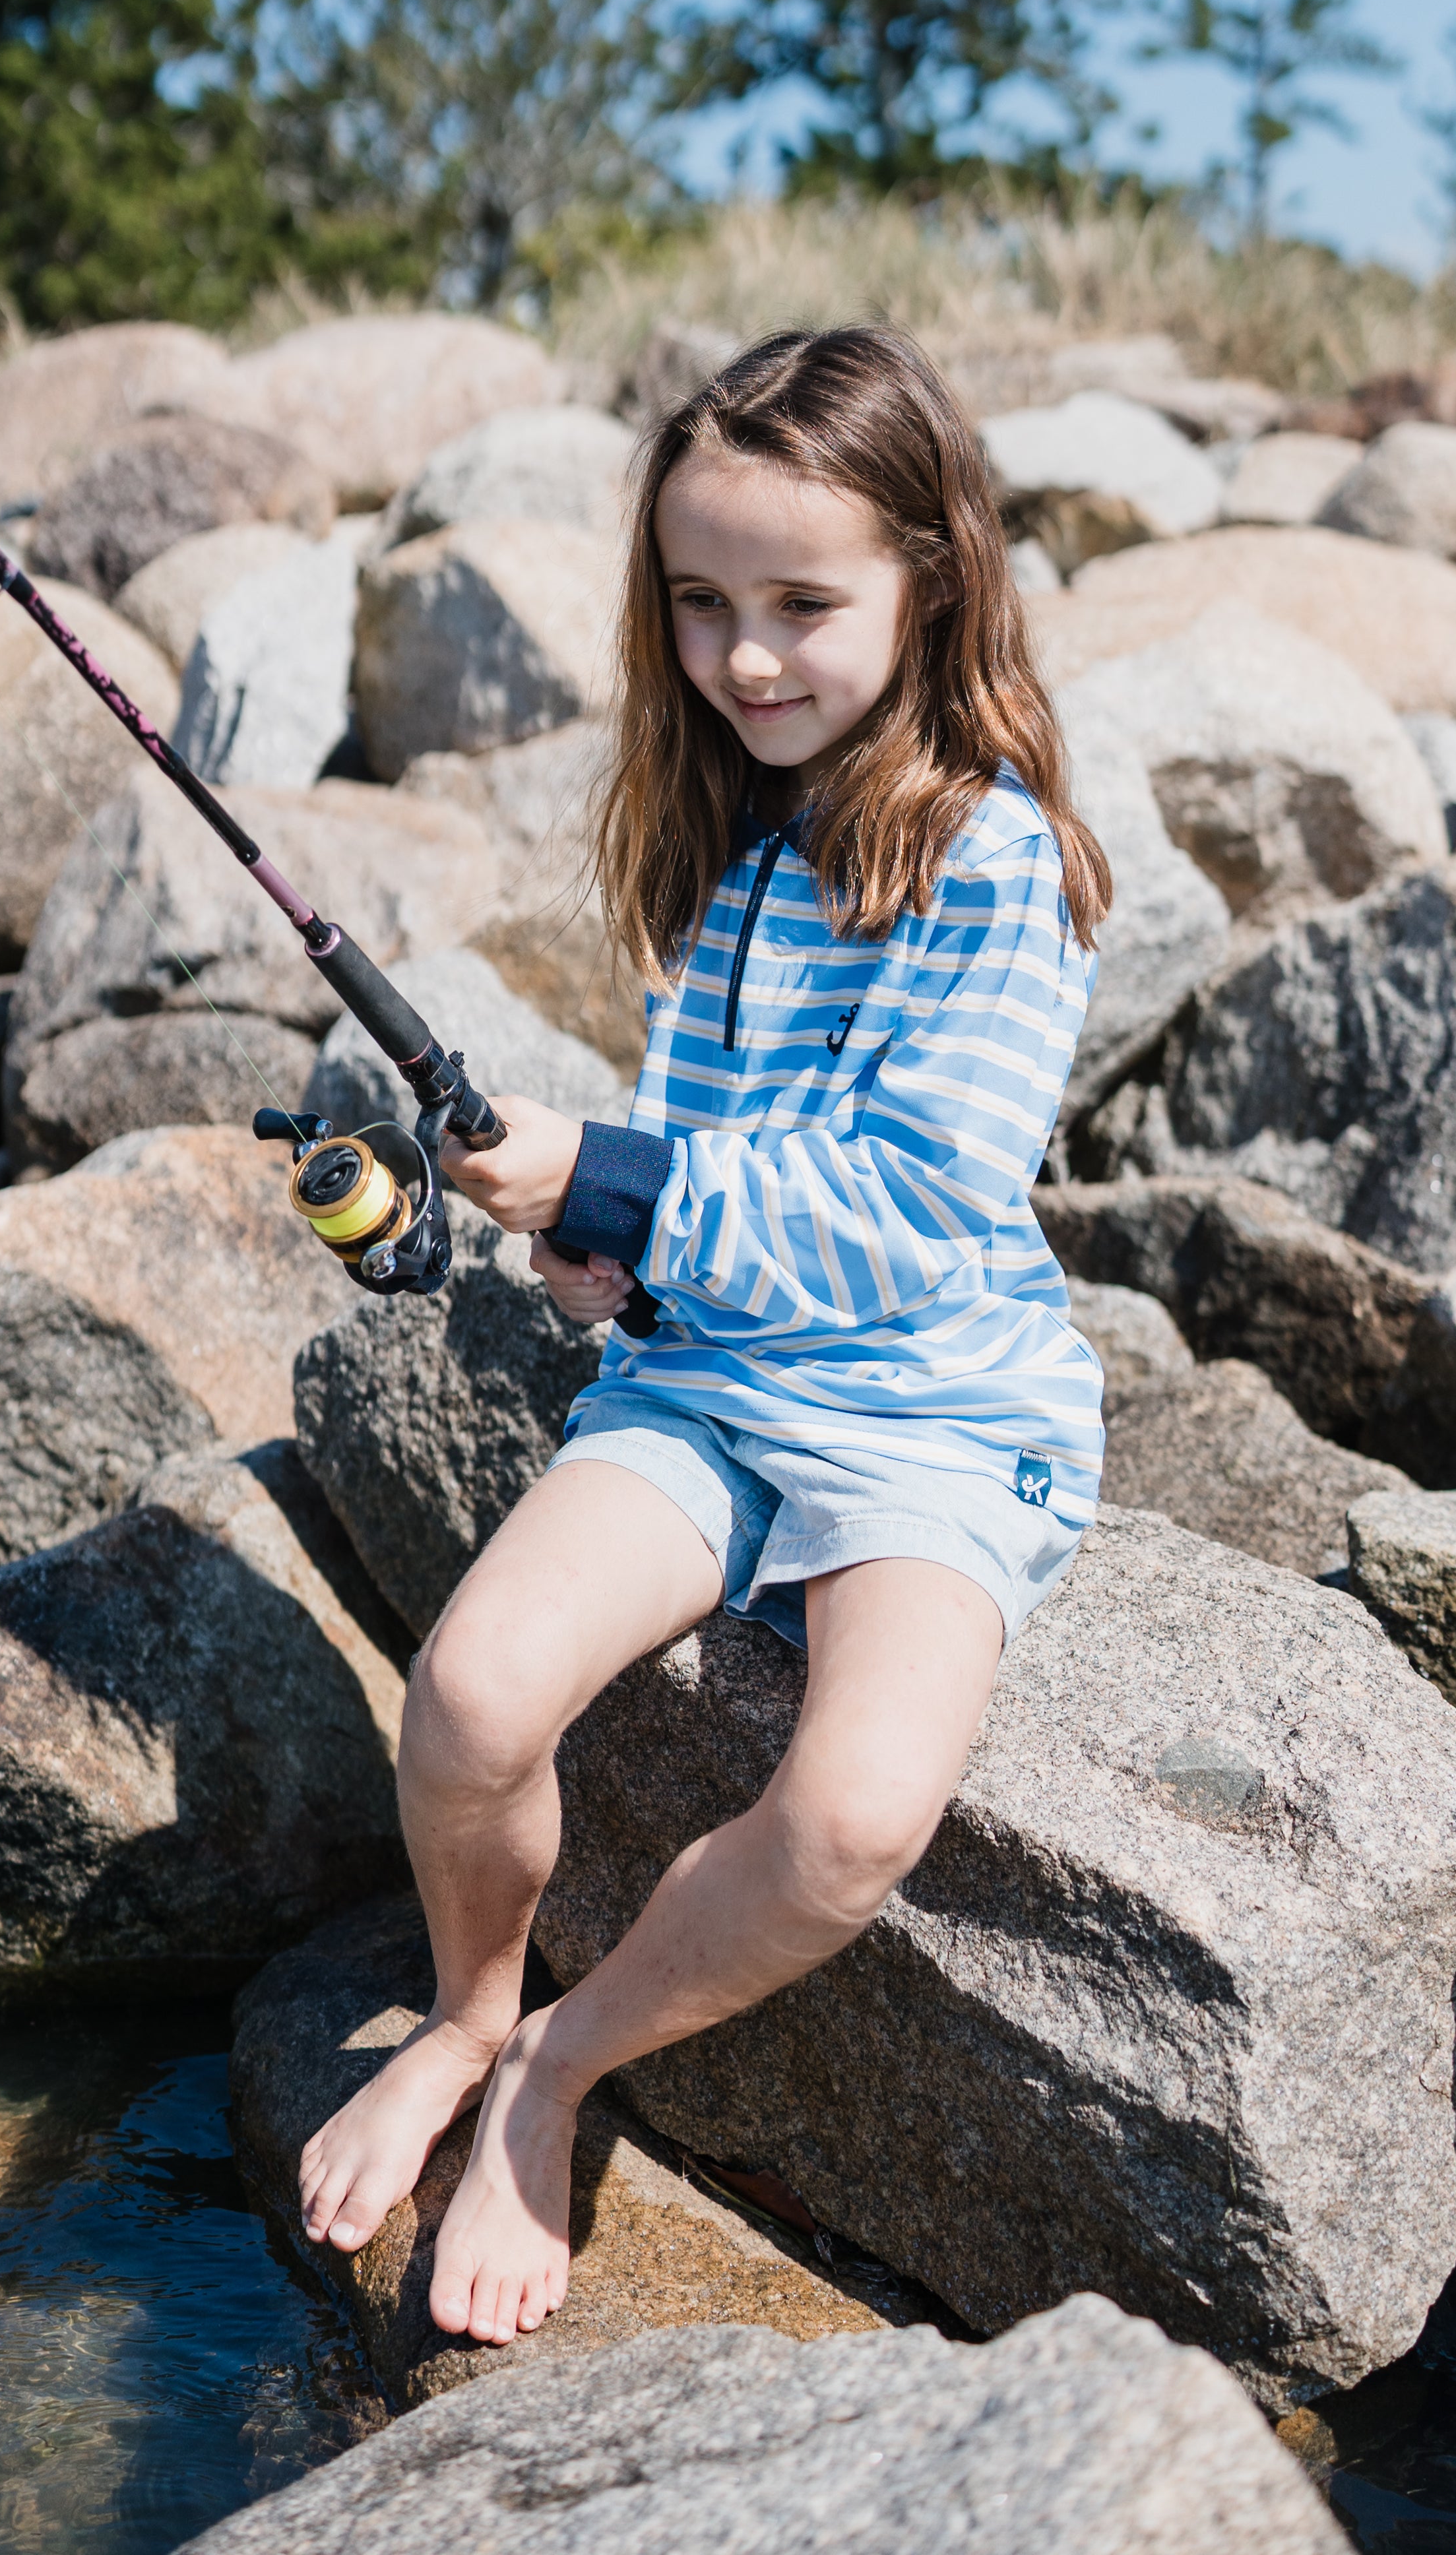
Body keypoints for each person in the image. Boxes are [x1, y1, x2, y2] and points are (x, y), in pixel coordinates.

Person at [298, 324, 1110, 2347]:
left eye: (802, 605)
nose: (746, 657)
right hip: (716, 1377)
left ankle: (561, 2063)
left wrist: (608, 1172)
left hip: (934, 1409)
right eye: (700, 603)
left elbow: (908, 1206)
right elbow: (726, 1160)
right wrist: (618, 1263)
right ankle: (467, 2011)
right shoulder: (731, 838)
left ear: (934, 581)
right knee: (469, 1703)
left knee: (850, 1822)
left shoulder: (997, 862)